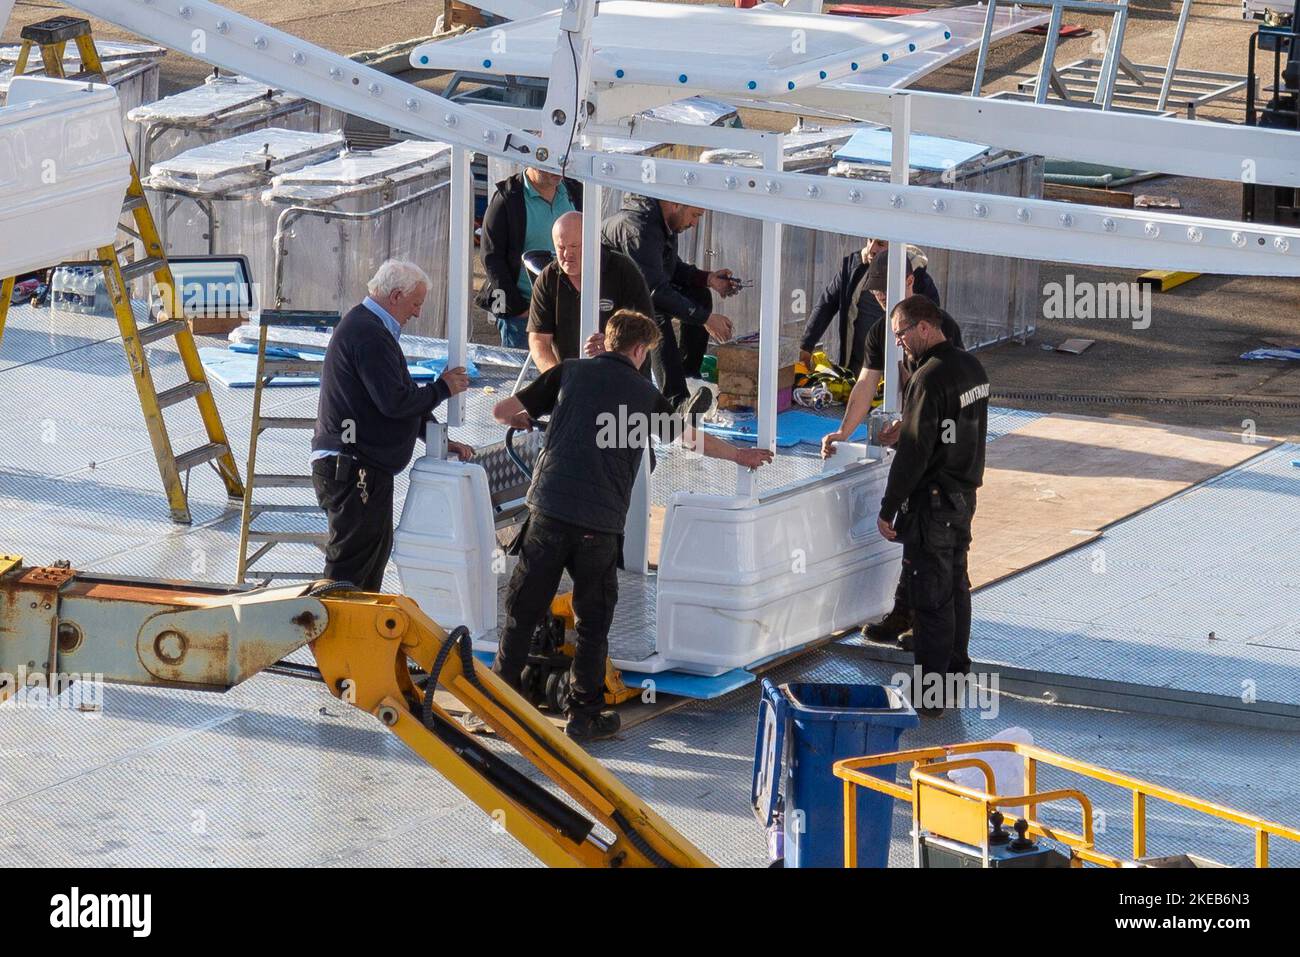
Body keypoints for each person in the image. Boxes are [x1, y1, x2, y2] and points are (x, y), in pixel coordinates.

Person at [491, 310, 773, 741]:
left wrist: (522, 418)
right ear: (641, 350)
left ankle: (498, 708)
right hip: (597, 525)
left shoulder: (569, 372)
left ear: (607, 340)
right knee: (593, 620)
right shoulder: (643, 394)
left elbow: (502, 409)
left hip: (547, 511)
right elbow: (688, 438)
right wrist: (741, 455)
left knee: (522, 612)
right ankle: (584, 715)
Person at [821, 249, 965, 646]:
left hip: (943, 450)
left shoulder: (937, 329)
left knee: (936, 546)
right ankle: (906, 610)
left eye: (888, 296)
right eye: (878, 299)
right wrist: (843, 432)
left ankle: (929, 627)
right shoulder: (881, 331)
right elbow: (866, 383)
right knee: (917, 540)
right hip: (920, 439)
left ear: (910, 284)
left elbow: (945, 393)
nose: (884, 305)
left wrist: (910, 424)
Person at [311, 260, 474, 591]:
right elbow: (395, 401)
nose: (416, 313)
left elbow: (397, 396)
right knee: (352, 568)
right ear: (396, 295)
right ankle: (341, 638)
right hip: (354, 469)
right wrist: (443, 388)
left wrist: (435, 434)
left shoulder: (369, 328)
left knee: (371, 559)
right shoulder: (369, 334)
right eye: (416, 304)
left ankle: (361, 637)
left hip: (360, 468)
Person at [875, 296, 989, 716]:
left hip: (934, 501)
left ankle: (931, 697)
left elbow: (917, 451)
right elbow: (951, 429)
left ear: (924, 328)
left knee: (931, 598)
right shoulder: (971, 368)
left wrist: (889, 506)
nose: (900, 344)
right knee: (956, 586)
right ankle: (956, 674)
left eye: (901, 334)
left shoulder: (928, 377)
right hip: (964, 493)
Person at [602, 194, 737, 404]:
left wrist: (707, 279)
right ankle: (675, 399)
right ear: (675, 204)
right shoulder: (640, 228)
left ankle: (689, 378)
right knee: (655, 314)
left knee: (698, 293)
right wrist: (706, 319)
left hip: (636, 289)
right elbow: (654, 290)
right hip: (608, 297)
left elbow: (669, 268)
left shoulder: (663, 223)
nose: (694, 223)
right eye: (694, 215)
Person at [528, 211, 654, 374]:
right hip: (571, 381)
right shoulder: (548, 278)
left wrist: (613, 350)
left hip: (623, 379)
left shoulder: (623, 271)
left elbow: (647, 333)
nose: (567, 254)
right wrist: (557, 378)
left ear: (592, 243)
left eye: (574, 246)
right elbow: (538, 340)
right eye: (561, 247)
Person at [476, 166, 584, 348]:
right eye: (549, 165)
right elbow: (491, 258)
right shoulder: (507, 198)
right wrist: (517, 309)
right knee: (522, 374)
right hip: (524, 315)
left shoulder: (575, 191)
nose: (558, 170)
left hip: (568, 311)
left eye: (562, 162)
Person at [799, 240, 941, 376]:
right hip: (858, 367)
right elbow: (826, 303)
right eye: (869, 240)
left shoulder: (921, 281)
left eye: (880, 243)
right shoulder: (853, 268)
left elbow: (935, 331)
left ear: (909, 281)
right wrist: (807, 345)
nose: (872, 249)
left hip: (899, 375)